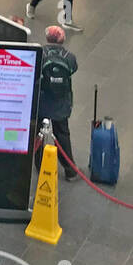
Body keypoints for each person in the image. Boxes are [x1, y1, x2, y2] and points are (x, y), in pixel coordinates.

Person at [36, 25, 80, 180]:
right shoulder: (70, 56)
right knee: (62, 134)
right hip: (61, 103)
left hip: (42, 102)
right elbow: (73, 69)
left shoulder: (40, 53)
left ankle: (38, 164)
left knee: (37, 133)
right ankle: (70, 170)